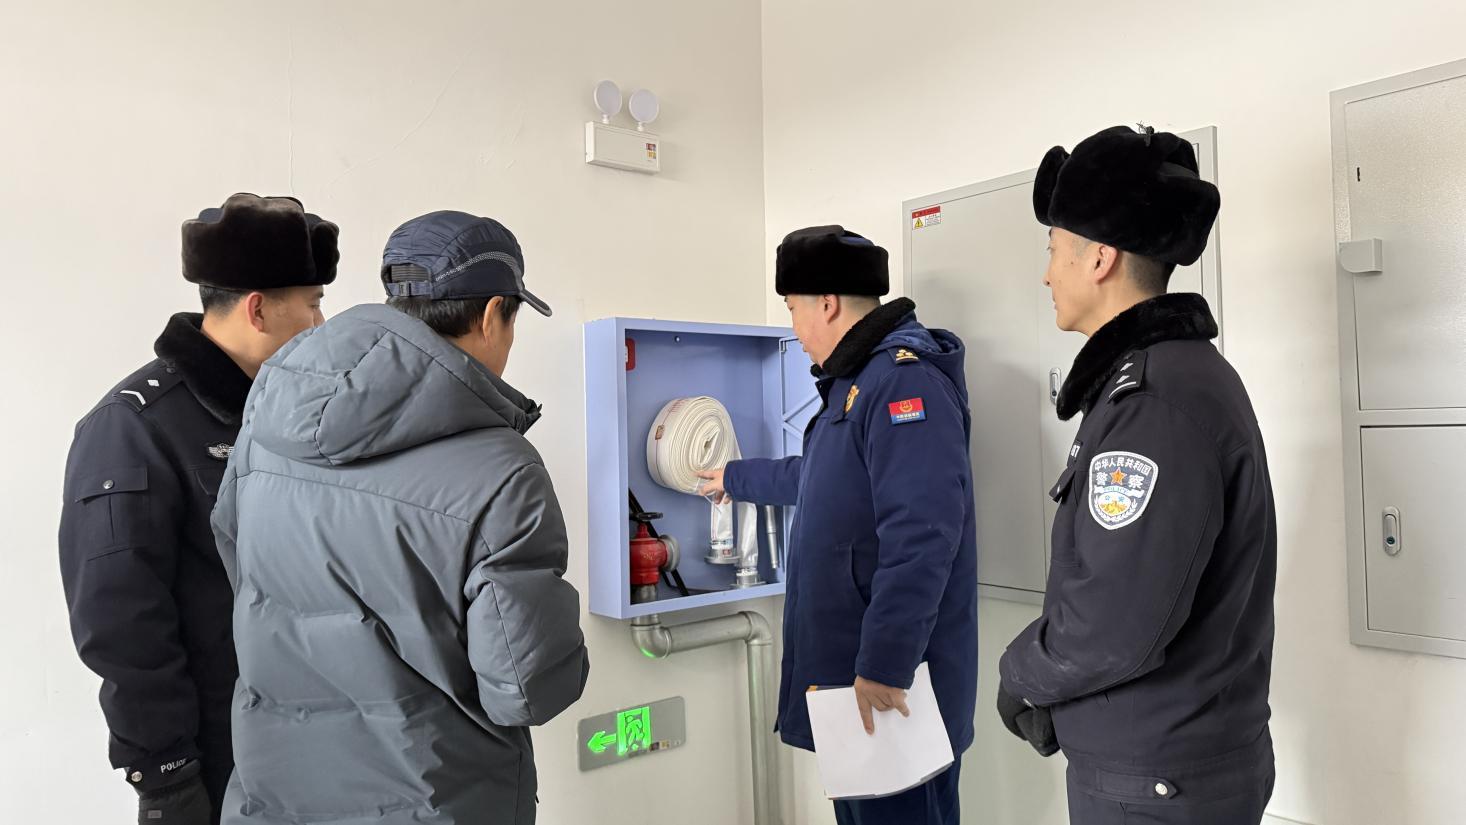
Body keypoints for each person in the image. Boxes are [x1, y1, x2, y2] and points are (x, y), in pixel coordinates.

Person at [211, 210, 589, 825]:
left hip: (278, 792)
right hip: (439, 797)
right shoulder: (503, 470)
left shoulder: (265, 419)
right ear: (493, 314)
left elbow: (236, 558)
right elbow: (524, 689)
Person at [996, 125, 1277, 825]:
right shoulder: (1177, 378)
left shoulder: (1153, 404)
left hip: (1155, 783)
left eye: (1053, 249)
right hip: (1167, 767)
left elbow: (1114, 624)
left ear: (1099, 258)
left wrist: (1021, 672)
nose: (1046, 274)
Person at [59, 193, 337, 825]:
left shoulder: (294, 416)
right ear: (258, 309)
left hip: (313, 743)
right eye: (313, 304)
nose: (322, 325)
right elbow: (119, 619)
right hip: (211, 760)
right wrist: (166, 774)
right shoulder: (133, 427)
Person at [698, 226, 977, 825]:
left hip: (891, 688)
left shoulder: (903, 383)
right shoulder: (858, 384)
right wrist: (736, 478)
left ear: (826, 304)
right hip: (861, 681)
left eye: (793, 310)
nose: (795, 331)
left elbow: (922, 535)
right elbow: (826, 477)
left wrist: (883, 664)